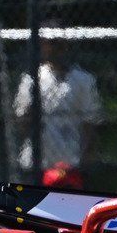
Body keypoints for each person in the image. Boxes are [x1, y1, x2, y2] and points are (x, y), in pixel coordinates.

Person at [14, 21, 103, 173]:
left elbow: (90, 122)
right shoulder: (31, 79)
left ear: (66, 44)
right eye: (48, 43)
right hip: (37, 162)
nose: (52, 48)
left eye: (57, 43)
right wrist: (29, 115)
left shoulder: (83, 80)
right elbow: (21, 121)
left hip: (70, 160)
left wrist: (85, 157)